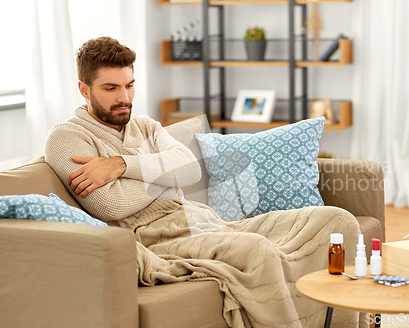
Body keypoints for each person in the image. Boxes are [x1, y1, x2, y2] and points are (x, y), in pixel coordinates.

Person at [44, 37, 360, 328]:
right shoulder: (67, 137)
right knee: (256, 250)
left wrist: (122, 164)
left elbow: (191, 171)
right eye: (110, 88)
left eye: (129, 85)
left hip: (205, 221)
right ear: (84, 89)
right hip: (157, 240)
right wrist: (167, 176)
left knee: (336, 220)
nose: (124, 98)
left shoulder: (145, 125)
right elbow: (109, 203)